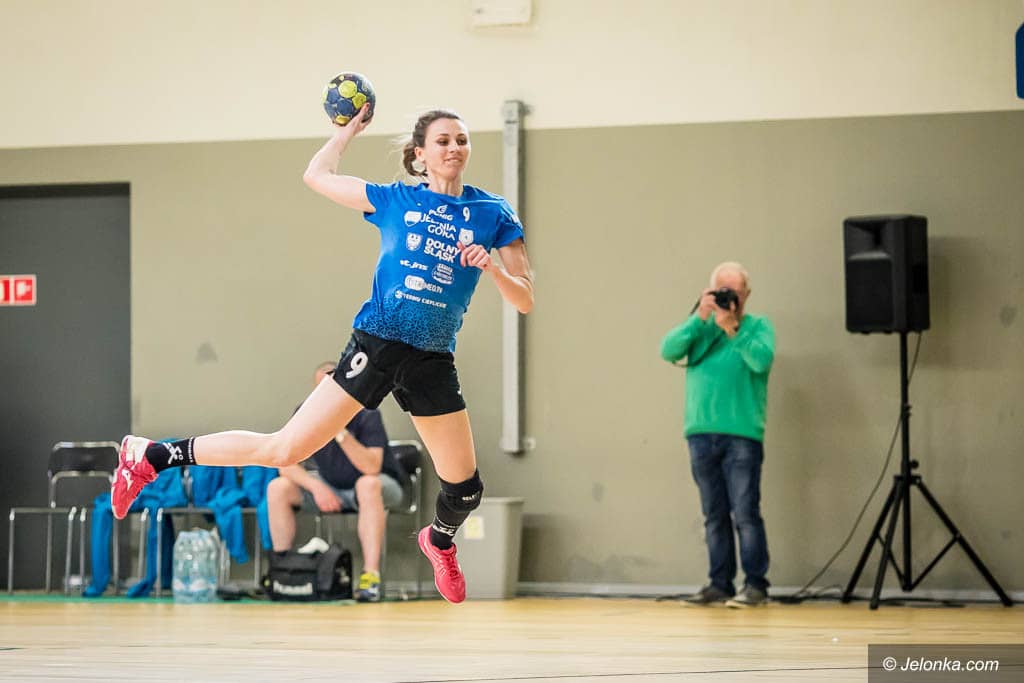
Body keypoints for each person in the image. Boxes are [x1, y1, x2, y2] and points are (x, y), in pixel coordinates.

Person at [111, 103, 534, 604]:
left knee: (465, 490)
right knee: (284, 450)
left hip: (432, 357)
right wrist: (348, 131)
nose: (454, 148)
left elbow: (525, 298)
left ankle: (438, 541)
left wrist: (493, 270)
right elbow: (317, 175)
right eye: (442, 140)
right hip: (378, 343)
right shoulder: (394, 199)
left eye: (461, 139)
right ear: (419, 154)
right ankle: (152, 455)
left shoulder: (492, 213)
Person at [659, 262, 775, 608]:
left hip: (742, 433)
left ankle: (755, 586)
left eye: (734, 292)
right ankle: (719, 584)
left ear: (746, 295)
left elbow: (761, 361)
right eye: (721, 291)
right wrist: (701, 316)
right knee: (713, 515)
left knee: (746, 513)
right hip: (700, 432)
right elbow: (668, 350)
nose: (728, 298)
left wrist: (733, 330)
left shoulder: (757, 326)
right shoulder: (701, 328)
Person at [266, 361, 404, 603]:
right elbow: (284, 463)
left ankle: (370, 577)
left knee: (367, 485)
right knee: (278, 488)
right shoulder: (305, 413)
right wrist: (316, 487)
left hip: (380, 486)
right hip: (330, 486)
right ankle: (282, 570)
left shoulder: (366, 411)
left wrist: (338, 429)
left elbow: (371, 467)